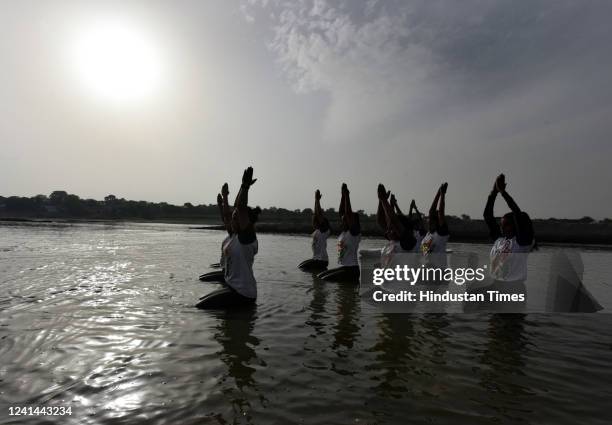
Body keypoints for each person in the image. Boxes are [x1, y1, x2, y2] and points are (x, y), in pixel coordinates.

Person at [197, 167, 260, 309]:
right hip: (233, 287)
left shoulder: (247, 238)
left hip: (244, 294)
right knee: (200, 303)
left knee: (201, 308)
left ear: (245, 221)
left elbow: (241, 208)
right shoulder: (235, 235)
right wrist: (224, 198)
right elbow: (228, 214)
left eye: (235, 218)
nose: (231, 220)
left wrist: (244, 187)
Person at [484, 174, 534, 282]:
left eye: (506, 224)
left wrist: (503, 192)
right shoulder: (499, 240)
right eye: (501, 224)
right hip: (495, 285)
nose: (502, 227)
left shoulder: (521, 243)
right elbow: (487, 216)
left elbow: (517, 214)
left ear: (515, 225)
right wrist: (493, 193)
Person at [317, 183, 361, 282]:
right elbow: (342, 212)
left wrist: (347, 196)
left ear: (351, 222)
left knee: (324, 280)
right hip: (343, 267)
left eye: (345, 220)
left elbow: (348, 214)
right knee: (319, 277)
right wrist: (342, 196)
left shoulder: (354, 233)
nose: (342, 221)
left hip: (351, 270)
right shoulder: (343, 234)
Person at [376, 185, 416, 267]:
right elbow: (380, 220)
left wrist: (384, 200)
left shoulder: (407, 243)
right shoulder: (392, 242)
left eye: (392, 228)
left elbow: (393, 220)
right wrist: (380, 200)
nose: (388, 231)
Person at [199, 183, 232, 283]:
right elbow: (225, 218)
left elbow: (226, 217)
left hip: (230, 277)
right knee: (201, 279)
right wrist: (220, 205)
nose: (227, 222)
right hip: (225, 272)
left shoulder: (236, 236)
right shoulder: (230, 237)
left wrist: (225, 197)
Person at [298, 189, 331, 272]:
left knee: (303, 269)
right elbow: (316, 214)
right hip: (316, 259)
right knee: (300, 267)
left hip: (322, 261)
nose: (313, 221)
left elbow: (318, 214)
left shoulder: (324, 232)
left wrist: (317, 200)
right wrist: (315, 201)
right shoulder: (316, 232)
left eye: (315, 220)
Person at [420, 183, 450, 267]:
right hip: (427, 271)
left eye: (429, 219)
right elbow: (431, 211)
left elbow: (440, 213)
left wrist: (442, 195)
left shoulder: (441, 234)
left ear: (436, 221)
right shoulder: (428, 235)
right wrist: (438, 192)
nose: (427, 221)